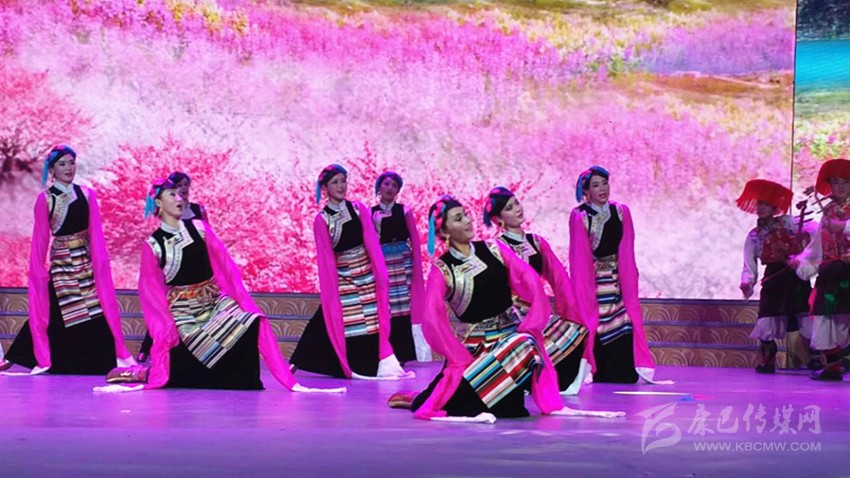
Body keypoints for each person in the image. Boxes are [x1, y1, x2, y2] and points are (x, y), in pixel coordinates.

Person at [389, 195, 623, 422]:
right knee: (501, 383)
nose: (468, 220)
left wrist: (533, 321)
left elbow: (528, 280)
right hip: (480, 349)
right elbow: (432, 318)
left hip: (512, 337)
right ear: (445, 232)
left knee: (570, 330)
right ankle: (421, 398)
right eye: (459, 218)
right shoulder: (443, 269)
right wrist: (455, 354)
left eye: (466, 214)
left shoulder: (493, 249)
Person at [98, 178, 343, 394]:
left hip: (215, 302)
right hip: (184, 312)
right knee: (179, 356)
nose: (179, 198)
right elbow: (151, 294)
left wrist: (242, 302)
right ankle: (143, 373)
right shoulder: (153, 246)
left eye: (180, 194)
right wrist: (165, 328)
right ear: (159, 203)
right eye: (172, 195)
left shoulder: (199, 229)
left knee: (251, 322)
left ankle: (242, 380)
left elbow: (226, 268)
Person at [2, 145, 136, 375]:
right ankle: (17, 356)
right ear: (52, 169)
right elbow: (41, 238)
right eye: (62, 164)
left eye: (71, 163)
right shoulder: (45, 199)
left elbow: (95, 233)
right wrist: (38, 269)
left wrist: (98, 264)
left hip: (84, 261)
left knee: (93, 308)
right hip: (63, 263)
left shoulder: (86, 194)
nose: (68, 168)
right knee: (51, 308)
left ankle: (94, 360)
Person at [289, 164, 413, 380]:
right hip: (343, 276)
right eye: (335, 182)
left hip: (367, 273)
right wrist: (332, 285)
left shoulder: (358, 209)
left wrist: (379, 274)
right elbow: (326, 256)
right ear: (325, 188)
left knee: (371, 321)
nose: (341, 186)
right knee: (328, 316)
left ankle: (369, 365)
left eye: (343, 181)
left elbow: (371, 242)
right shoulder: (322, 219)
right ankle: (297, 363)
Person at [484, 186, 588, 393]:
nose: (517, 209)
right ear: (498, 219)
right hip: (511, 315)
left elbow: (558, 278)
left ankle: (550, 383)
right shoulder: (496, 247)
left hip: (538, 311)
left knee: (577, 331)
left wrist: (571, 310)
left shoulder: (536, 242)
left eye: (516, 203)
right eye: (509, 208)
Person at [737, 179, 812, 373]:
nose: (761, 208)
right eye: (759, 204)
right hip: (773, 278)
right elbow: (749, 263)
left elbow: (809, 237)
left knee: (804, 316)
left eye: (766, 204)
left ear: (774, 207)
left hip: (794, 275)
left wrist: (801, 258)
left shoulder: (788, 223)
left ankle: (817, 359)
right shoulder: (754, 235)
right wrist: (747, 282)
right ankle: (767, 359)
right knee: (767, 317)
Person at [371, 171, 430, 362]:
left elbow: (414, 240)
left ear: (398, 190)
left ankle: (405, 353)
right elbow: (370, 241)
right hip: (382, 263)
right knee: (386, 307)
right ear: (379, 187)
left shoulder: (404, 211)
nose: (389, 188)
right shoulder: (370, 213)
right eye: (386, 184)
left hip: (403, 262)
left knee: (404, 308)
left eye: (394, 186)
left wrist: (416, 267)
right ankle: (386, 353)